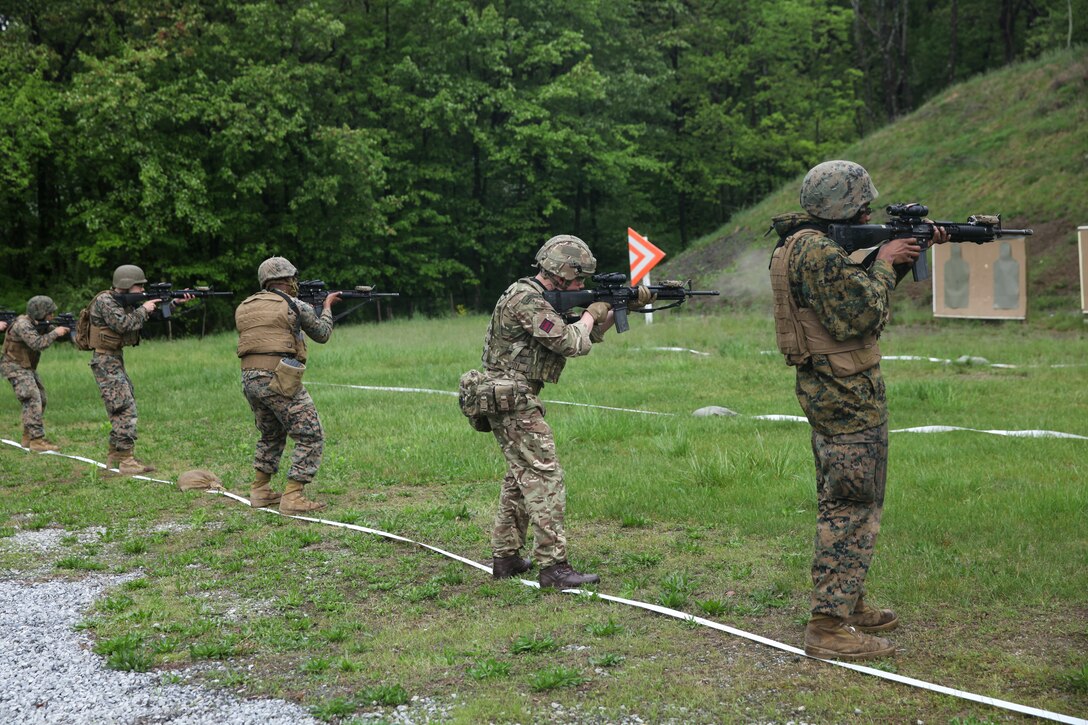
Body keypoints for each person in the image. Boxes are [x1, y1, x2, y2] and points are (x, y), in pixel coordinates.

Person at [768, 160, 947, 660]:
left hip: (833, 391)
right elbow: (859, 312)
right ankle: (828, 627)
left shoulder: (801, 243)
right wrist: (888, 260)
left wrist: (901, 254)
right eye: (862, 204)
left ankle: (847, 600)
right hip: (846, 397)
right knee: (851, 505)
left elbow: (845, 292)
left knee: (846, 497)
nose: (868, 210)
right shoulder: (819, 251)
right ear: (844, 206)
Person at [479, 235, 650, 589]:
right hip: (511, 397)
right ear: (559, 272)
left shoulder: (539, 298)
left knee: (520, 477)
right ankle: (553, 567)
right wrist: (591, 313)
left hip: (516, 394)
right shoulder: (526, 299)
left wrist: (620, 307)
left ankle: (507, 557)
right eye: (577, 279)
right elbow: (570, 341)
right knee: (545, 476)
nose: (581, 285)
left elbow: (584, 336)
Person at [235, 256, 340, 515]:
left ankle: (260, 490)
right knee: (310, 434)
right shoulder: (294, 303)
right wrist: (326, 306)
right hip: (278, 375)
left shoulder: (245, 306)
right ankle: (293, 496)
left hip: (249, 377)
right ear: (289, 280)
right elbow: (322, 334)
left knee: (271, 434)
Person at [89, 265, 188, 475]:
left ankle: (116, 456)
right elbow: (123, 325)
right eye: (139, 286)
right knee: (125, 408)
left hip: (113, 359)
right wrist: (145, 308)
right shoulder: (105, 301)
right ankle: (126, 460)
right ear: (125, 285)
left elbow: (150, 317)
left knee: (123, 403)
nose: (142, 290)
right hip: (105, 360)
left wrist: (174, 303)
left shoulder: (121, 301)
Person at [1, 296, 70, 452]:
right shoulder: (22, 325)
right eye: (50, 313)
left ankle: (28, 435)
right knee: (32, 398)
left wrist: (66, 331)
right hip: (14, 366)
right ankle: (37, 440)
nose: (52, 316)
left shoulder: (38, 323)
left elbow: (52, 333)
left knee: (41, 398)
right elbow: (38, 343)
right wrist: (56, 333)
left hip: (26, 366)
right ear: (40, 313)